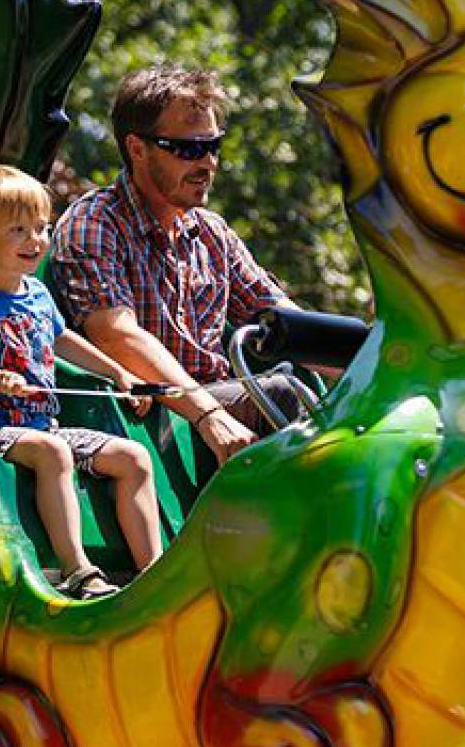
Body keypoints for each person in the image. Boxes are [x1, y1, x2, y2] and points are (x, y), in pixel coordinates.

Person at [52, 67, 315, 464]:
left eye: (213, 146)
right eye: (189, 149)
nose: (208, 163)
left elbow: (284, 322)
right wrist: (209, 414)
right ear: (138, 149)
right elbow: (116, 337)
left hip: (214, 403)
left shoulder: (211, 233)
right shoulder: (95, 222)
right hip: (150, 417)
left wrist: (372, 362)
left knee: (326, 399)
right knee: (282, 394)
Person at [0, 164, 164, 599]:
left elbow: (62, 339)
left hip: (48, 425)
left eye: (42, 229)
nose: (36, 241)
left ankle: (155, 575)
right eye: (18, 230)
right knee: (54, 451)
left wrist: (117, 372)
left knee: (133, 457)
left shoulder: (38, 295)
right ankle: (78, 570)